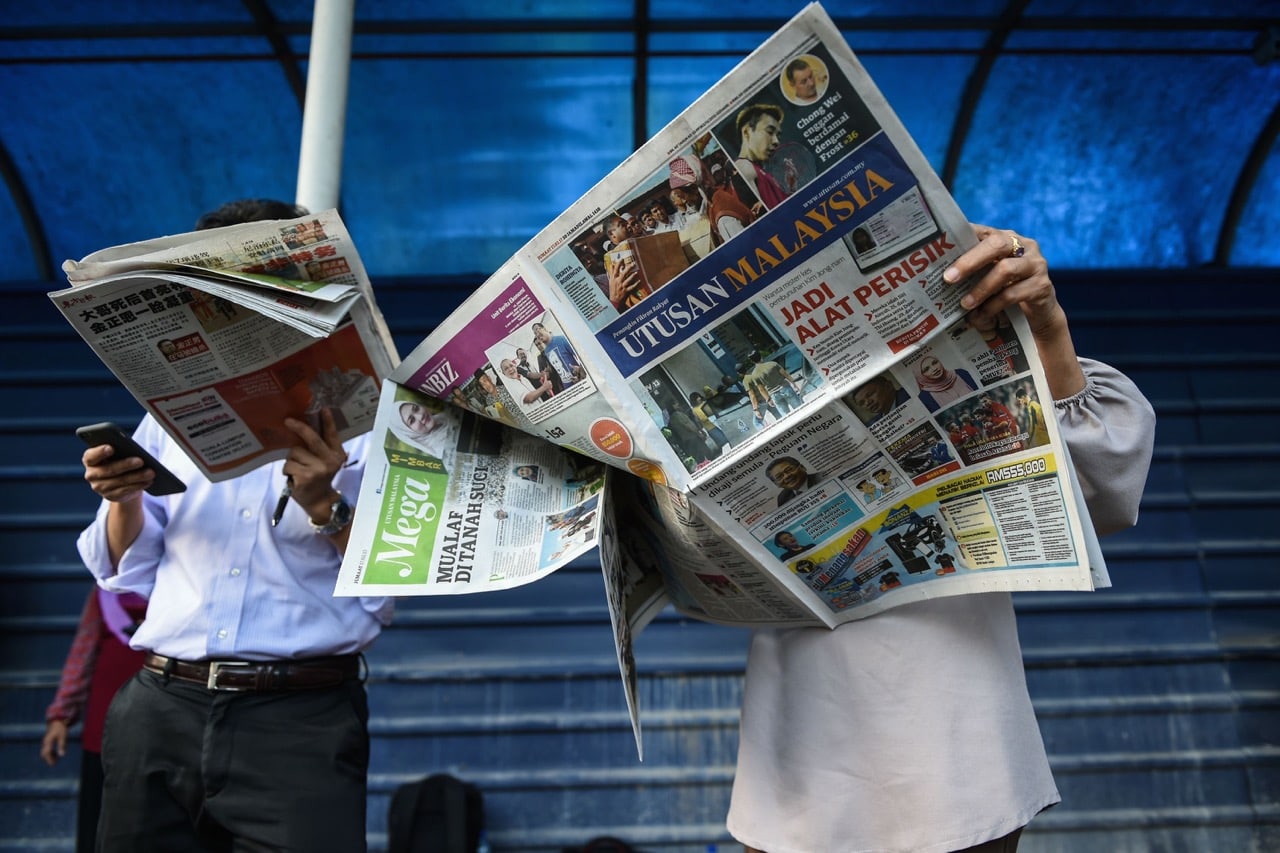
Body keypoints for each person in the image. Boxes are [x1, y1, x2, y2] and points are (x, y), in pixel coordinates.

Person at [727, 226, 1157, 853]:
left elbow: (1103, 491)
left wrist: (1047, 326)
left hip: (957, 738)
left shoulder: (966, 285)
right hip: (796, 737)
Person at [77, 199, 393, 852]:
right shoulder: (169, 417)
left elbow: (387, 590)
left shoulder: (372, 421)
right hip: (159, 706)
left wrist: (324, 506)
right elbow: (124, 569)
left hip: (299, 721)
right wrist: (123, 498)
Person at [41, 588, 147, 853]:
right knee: (99, 820)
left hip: (165, 724)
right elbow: (83, 651)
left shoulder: (185, 578)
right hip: (106, 721)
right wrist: (61, 716)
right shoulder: (106, 590)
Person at [734, 103, 788, 212]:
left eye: (778, 135)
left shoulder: (760, 168)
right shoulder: (745, 167)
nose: (776, 141)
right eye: (769, 132)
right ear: (746, 132)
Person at [912, 351, 979, 411]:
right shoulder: (924, 397)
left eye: (935, 363)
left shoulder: (961, 373)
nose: (934, 368)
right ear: (921, 376)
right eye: (926, 369)